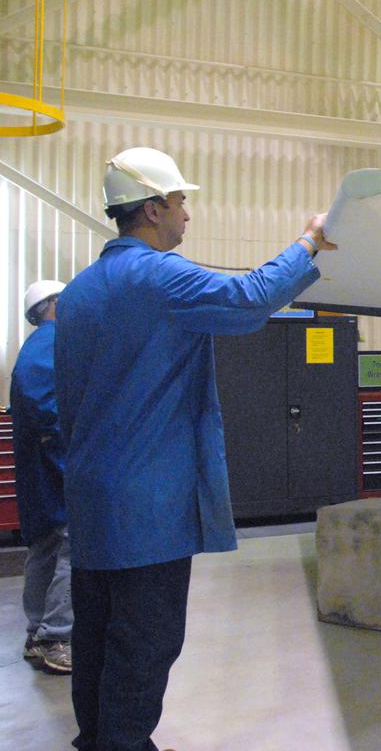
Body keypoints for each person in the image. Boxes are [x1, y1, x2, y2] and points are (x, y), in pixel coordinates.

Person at [55, 147, 335, 751]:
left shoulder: (78, 293)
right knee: (146, 639)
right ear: (153, 209)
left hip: (93, 497)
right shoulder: (157, 276)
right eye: (181, 202)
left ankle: (97, 739)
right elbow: (248, 299)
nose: (187, 214)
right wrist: (308, 243)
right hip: (146, 503)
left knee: (97, 634)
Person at [10, 280, 73, 675]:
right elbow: (50, 412)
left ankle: (37, 634)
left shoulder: (38, 345)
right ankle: (57, 637)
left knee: (45, 550)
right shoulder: (50, 343)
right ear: (51, 305)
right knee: (72, 548)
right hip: (56, 470)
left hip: (41, 476)